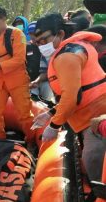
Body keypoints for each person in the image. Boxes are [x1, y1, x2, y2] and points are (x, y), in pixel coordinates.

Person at [31, 13, 106, 182]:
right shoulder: (75, 47)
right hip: (93, 113)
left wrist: (54, 125)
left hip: (94, 118)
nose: (41, 46)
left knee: (93, 159)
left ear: (60, 34)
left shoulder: (66, 56)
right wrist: (50, 113)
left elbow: (71, 98)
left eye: (44, 40)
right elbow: (78, 91)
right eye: (38, 42)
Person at [0, 4, 35, 144]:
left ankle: (31, 141)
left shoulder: (17, 34)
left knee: (25, 115)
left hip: (18, 81)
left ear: (4, 18)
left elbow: (19, 59)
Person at [28, 22, 55, 102]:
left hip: (48, 82)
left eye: (35, 33)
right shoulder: (27, 47)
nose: (33, 36)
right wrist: (35, 81)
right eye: (31, 33)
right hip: (33, 81)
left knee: (47, 102)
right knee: (33, 101)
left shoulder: (49, 47)